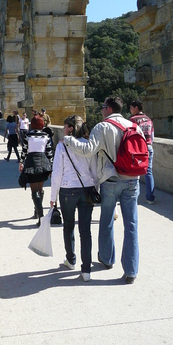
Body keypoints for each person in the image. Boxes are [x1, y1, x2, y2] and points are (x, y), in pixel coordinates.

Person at [62, 96, 145, 284]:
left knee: (106, 220)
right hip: (132, 181)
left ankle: (107, 259)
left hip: (110, 180)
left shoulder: (102, 127)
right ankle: (131, 270)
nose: (101, 110)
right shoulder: (134, 126)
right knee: (131, 225)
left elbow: (88, 150)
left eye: (102, 106)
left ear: (108, 109)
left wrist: (69, 140)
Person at [50, 115, 99, 281]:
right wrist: (95, 189)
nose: (63, 130)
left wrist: (52, 196)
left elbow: (57, 173)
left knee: (68, 226)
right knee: (85, 231)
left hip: (67, 190)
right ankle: (86, 270)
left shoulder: (62, 147)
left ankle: (71, 260)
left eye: (65, 127)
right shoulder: (88, 145)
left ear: (70, 129)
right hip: (87, 190)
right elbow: (94, 172)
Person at [19, 114, 55, 226]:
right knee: (40, 190)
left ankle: (40, 216)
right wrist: (52, 167)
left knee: (34, 191)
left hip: (31, 163)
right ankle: (37, 212)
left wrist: (21, 162)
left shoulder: (27, 135)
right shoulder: (46, 136)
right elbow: (49, 153)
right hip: (44, 163)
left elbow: (24, 151)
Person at [129, 100, 155, 204]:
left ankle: (133, 195)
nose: (130, 110)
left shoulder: (133, 120)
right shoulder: (149, 120)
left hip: (138, 148)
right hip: (148, 147)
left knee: (135, 172)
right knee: (148, 172)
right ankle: (150, 198)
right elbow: (152, 136)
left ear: (136, 108)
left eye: (131, 108)